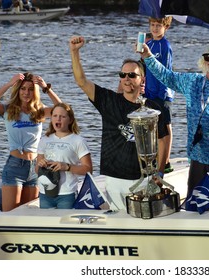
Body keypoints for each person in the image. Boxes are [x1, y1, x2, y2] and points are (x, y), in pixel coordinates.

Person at [69, 35, 168, 210]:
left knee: (144, 223)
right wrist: (74, 52)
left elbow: (163, 140)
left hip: (144, 178)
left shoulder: (154, 107)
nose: (127, 79)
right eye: (123, 75)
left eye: (132, 75)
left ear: (142, 79)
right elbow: (81, 81)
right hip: (114, 177)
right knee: (120, 223)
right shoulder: (108, 100)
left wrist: (159, 173)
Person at [139, 42, 209, 199]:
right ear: (203, 60)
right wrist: (148, 56)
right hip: (197, 156)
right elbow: (166, 76)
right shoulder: (192, 82)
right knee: (195, 205)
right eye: (207, 57)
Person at [0, 72, 62, 211]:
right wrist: (10, 83)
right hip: (15, 167)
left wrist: (46, 88)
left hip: (35, 167)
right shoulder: (8, 110)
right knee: (10, 216)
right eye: (23, 88)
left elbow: (63, 110)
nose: (26, 92)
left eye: (31, 89)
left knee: (29, 214)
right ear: (18, 90)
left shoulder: (39, 111)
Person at [36, 103, 93, 209]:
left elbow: (88, 170)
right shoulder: (44, 140)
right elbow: (36, 170)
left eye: (62, 116)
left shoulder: (78, 141)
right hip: (45, 194)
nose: (58, 119)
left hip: (67, 195)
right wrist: (41, 165)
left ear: (70, 120)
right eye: (55, 116)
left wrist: (67, 167)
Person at [144, 16, 175, 173]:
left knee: (165, 127)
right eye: (153, 25)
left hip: (163, 92)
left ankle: (166, 161)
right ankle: (157, 159)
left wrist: (164, 93)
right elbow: (144, 69)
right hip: (149, 92)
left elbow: (166, 71)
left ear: (166, 27)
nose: (155, 28)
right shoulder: (148, 44)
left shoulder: (165, 45)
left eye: (159, 25)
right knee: (154, 129)